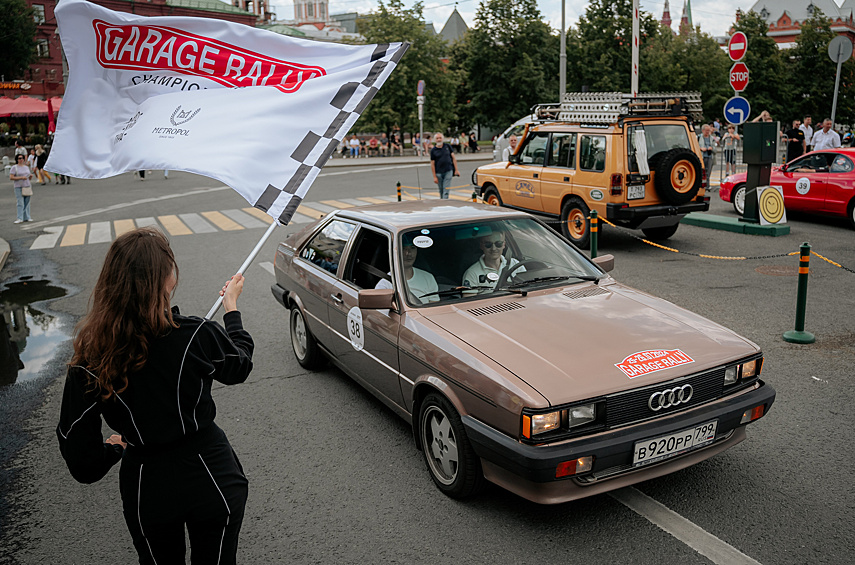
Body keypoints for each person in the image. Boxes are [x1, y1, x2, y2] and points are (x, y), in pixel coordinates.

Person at [56, 227, 253, 565]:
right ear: (167, 279)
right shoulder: (194, 335)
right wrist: (231, 310)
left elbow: (82, 459)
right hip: (211, 473)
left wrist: (113, 449)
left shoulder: (90, 357)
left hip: (147, 483)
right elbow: (239, 365)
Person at [376, 237, 438, 304]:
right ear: (394, 252)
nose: (409, 253)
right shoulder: (384, 285)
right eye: (403, 248)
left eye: (412, 248)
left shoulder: (428, 278)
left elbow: (435, 309)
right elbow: (381, 314)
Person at [462, 229, 522, 293]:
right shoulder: (472, 273)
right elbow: (470, 300)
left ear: (504, 245)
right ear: (481, 246)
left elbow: (528, 286)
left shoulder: (515, 264)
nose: (493, 248)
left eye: (498, 244)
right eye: (488, 244)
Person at [430, 133, 459, 199]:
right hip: (438, 173)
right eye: (437, 138)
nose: (439, 139)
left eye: (440, 138)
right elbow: (432, 164)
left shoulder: (447, 146)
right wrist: (434, 176)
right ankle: (442, 203)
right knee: (441, 190)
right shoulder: (433, 150)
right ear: (435, 140)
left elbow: (454, 158)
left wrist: (456, 170)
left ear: (442, 139)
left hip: (448, 171)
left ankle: (444, 204)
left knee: (446, 189)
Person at [9, 154, 33, 223]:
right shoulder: (14, 167)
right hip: (18, 186)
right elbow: (11, 177)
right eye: (19, 158)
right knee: (20, 202)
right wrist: (21, 177)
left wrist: (30, 176)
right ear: (17, 159)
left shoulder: (26, 167)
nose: (21, 159)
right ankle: (19, 217)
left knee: (27, 202)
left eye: (22, 158)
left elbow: (28, 177)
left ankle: (27, 217)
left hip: (27, 185)